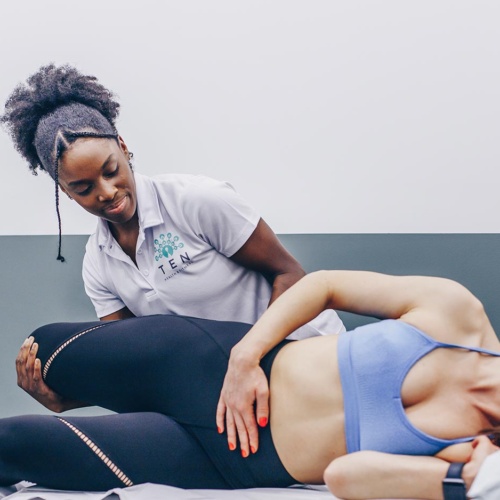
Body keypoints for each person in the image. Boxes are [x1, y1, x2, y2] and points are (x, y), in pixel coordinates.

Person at [1, 64, 344, 412]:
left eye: (111, 170)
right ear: (65, 191)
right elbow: (139, 365)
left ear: (123, 147)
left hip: (310, 359)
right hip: (237, 392)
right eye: (83, 188)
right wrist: (66, 402)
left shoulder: (197, 201)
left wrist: (253, 357)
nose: (106, 192)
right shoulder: (98, 264)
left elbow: (290, 274)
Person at [9, 270, 500, 498]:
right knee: (42, 348)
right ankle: (73, 395)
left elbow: (344, 477)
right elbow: (323, 285)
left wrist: (462, 481)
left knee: (13, 443)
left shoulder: (476, 451)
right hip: (207, 362)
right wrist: (245, 357)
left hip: (227, 462)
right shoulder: (457, 313)